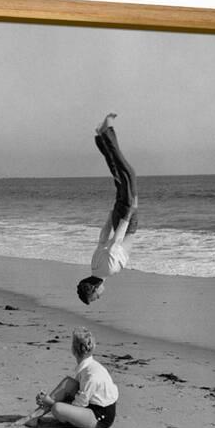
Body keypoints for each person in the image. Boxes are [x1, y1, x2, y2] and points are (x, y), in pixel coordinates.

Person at [77, 113, 138, 305]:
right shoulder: (94, 266)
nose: (100, 295)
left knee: (128, 173)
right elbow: (103, 237)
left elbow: (115, 243)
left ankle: (107, 132)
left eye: (96, 296)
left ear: (94, 288)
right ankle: (101, 138)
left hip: (127, 224)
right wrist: (112, 214)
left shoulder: (108, 271)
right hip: (117, 218)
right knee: (119, 175)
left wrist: (128, 213)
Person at [27, 327, 119, 428]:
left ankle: (45, 408)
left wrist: (50, 402)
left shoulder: (91, 376)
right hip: (90, 404)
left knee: (57, 408)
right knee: (68, 383)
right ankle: (33, 417)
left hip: (100, 416)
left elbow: (80, 404)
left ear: (73, 350)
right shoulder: (89, 366)